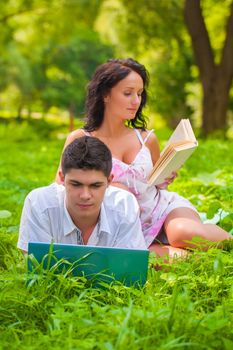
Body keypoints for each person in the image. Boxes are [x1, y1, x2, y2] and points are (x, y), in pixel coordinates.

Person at [55, 58, 231, 258]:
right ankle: (196, 254)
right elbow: (60, 187)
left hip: (163, 210)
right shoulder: (80, 139)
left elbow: (156, 185)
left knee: (182, 232)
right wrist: (111, 190)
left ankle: (227, 240)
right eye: (128, 93)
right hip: (125, 226)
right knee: (158, 260)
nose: (136, 101)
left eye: (139, 94)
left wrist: (165, 177)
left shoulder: (147, 138)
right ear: (105, 94)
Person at [18, 136, 147, 253]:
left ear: (109, 181)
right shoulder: (39, 203)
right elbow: (37, 269)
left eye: (95, 185)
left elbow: (129, 270)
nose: (85, 195)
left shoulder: (125, 206)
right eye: (76, 184)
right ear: (62, 178)